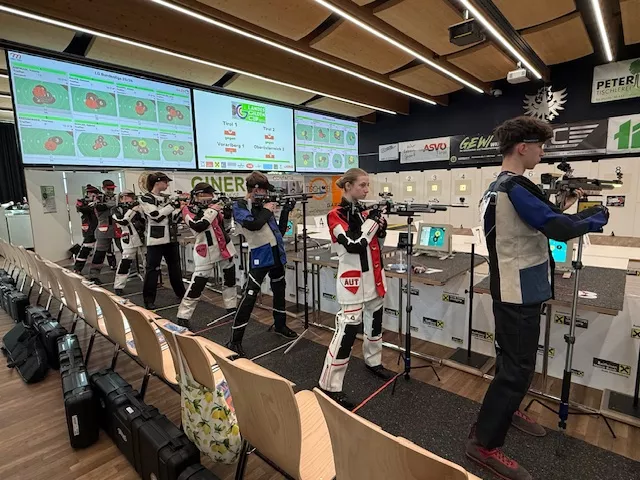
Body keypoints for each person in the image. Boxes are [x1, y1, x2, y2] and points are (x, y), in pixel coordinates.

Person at [466, 116, 609, 480]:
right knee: (517, 369)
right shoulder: (515, 187)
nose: (543, 153)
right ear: (522, 147)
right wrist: (597, 216)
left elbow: (539, 220)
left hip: (514, 288)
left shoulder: (500, 186)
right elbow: (558, 228)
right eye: (540, 146)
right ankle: (483, 444)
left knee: (511, 363)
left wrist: (570, 209)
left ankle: (509, 409)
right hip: (518, 293)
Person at [317, 168, 393, 410]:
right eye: (362, 185)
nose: (367, 190)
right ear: (348, 186)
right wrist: (373, 221)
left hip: (373, 279)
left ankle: (374, 361)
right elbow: (354, 244)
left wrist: (381, 226)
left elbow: (375, 244)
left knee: (375, 325)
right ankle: (329, 385)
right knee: (346, 332)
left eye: (368, 185)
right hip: (352, 282)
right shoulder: (335, 215)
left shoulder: (363, 213)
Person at [228, 171, 298, 357]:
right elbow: (254, 225)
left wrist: (285, 211)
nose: (266, 194)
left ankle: (280, 325)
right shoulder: (240, 205)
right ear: (256, 189)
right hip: (260, 254)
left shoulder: (262, 205)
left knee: (279, 290)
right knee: (249, 296)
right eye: (264, 191)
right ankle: (235, 340)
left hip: (276, 254)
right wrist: (268, 209)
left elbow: (279, 231)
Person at [176, 182, 237, 328]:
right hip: (205, 251)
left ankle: (232, 307)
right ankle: (183, 315)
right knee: (197, 284)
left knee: (230, 280)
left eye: (210, 194)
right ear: (196, 195)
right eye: (205, 194)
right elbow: (198, 226)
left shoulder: (212, 209)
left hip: (224, 248)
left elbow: (225, 227)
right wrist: (213, 210)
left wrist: (228, 213)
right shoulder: (188, 210)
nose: (209, 197)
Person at [140, 172, 186, 310]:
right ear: (157, 182)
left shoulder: (166, 198)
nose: (167, 185)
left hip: (171, 238)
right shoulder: (146, 198)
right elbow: (156, 216)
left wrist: (181, 209)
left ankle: (181, 293)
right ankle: (148, 300)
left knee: (175, 268)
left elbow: (173, 218)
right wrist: (173, 205)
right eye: (165, 182)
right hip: (156, 240)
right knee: (152, 270)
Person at [112, 190, 146, 295]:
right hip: (129, 237)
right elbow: (123, 221)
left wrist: (140, 211)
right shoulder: (116, 209)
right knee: (125, 263)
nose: (127, 199)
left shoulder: (139, 207)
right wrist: (132, 210)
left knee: (148, 261)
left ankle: (151, 282)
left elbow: (145, 220)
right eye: (124, 197)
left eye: (129, 197)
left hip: (143, 236)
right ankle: (118, 286)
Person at [88, 179, 118, 281]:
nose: (111, 191)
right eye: (108, 189)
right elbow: (100, 207)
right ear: (104, 188)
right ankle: (93, 276)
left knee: (126, 252)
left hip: (118, 228)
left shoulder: (117, 197)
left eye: (112, 189)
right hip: (104, 229)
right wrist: (114, 204)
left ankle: (128, 272)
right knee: (99, 254)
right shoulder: (99, 198)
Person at [73, 184, 100, 274]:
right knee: (86, 247)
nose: (93, 195)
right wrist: (91, 205)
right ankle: (77, 268)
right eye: (91, 193)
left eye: (95, 193)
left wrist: (97, 203)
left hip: (101, 226)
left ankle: (112, 264)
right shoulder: (82, 201)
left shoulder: (99, 201)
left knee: (104, 249)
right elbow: (81, 209)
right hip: (89, 228)